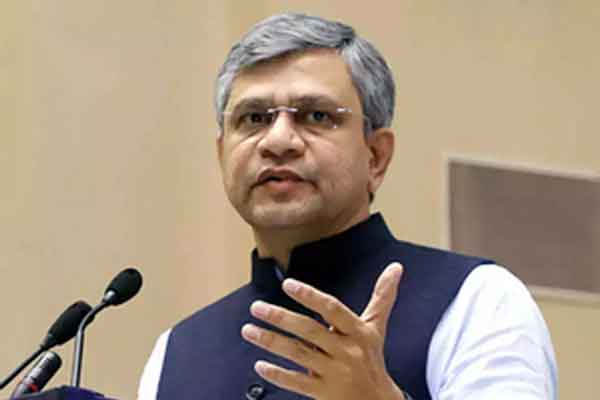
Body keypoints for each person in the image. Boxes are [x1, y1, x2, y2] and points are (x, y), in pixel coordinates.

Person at [138, 13, 557, 400]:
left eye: (316, 116)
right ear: (222, 155)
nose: (278, 141)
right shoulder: (175, 352)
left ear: (376, 157)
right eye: (254, 118)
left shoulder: (478, 301)